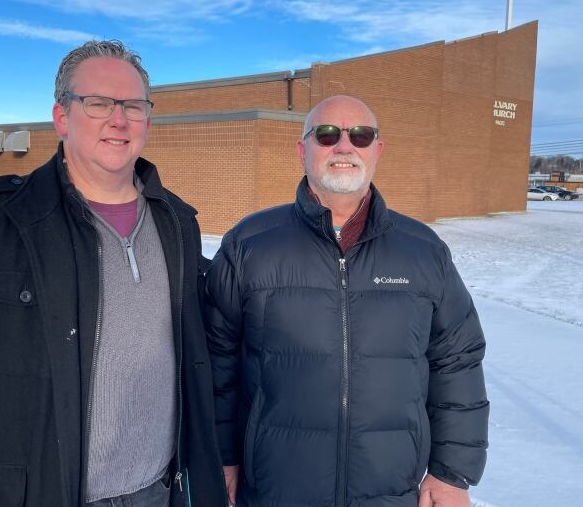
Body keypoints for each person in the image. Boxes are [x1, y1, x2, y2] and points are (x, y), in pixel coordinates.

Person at [0, 40, 226, 507]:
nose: (118, 118)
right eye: (97, 103)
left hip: (159, 492)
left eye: (133, 104)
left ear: (148, 119)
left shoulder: (177, 224)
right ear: (61, 117)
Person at [205, 95, 488, 507]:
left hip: (390, 492)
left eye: (360, 135)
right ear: (303, 150)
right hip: (275, 490)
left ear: (377, 150)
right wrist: (222, 456)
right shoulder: (250, 244)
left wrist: (452, 473)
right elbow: (216, 360)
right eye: (327, 134)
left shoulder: (423, 251)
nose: (344, 146)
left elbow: (457, 359)